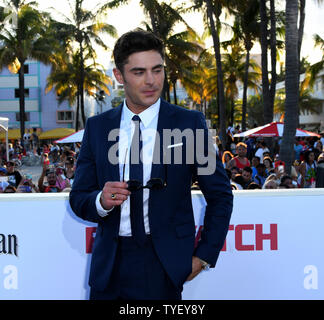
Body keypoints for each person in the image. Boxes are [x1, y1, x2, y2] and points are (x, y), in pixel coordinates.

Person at [69, 30, 233, 300]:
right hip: (109, 267)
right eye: (139, 72)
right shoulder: (98, 127)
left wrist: (203, 256)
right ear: (119, 76)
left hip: (165, 266)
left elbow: (220, 196)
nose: (151, 81)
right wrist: (101, 200)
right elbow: (79, 198)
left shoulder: (189, 124)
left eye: (157, 70)